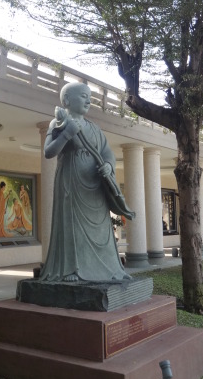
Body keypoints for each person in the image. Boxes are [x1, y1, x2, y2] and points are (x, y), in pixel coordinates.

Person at [40, 82, 133, 283]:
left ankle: (108, 268)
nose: (88, 100)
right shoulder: (58, 123)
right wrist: (67, 133)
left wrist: (108, 165)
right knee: (72, 226)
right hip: (71, 182)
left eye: (90, 97)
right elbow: (49, 152)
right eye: (83, 96)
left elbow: (107, 153)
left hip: (95, 185)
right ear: (66, 100)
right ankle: (71, 269)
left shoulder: (94, 128)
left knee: (101, 227)